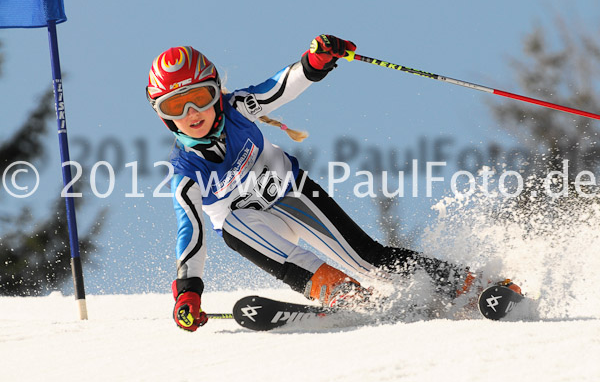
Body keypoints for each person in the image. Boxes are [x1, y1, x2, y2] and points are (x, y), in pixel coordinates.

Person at [146, 35, 517, 332]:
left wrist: (314, 63)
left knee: (367, 259)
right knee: (232, 227)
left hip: (291, 193)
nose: (191, 113)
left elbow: (277, 89)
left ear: (215, 92)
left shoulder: (237, 107)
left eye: (198, 98)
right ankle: (348, 297)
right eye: (174, 107)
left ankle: (473, 285)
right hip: (257, 227)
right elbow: (191, 234)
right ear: (164, 117)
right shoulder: (184, 172)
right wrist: (188, 292)